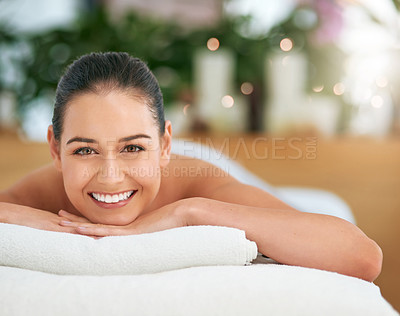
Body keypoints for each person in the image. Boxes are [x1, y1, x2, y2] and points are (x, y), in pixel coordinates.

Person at [0, 52, 382, 282]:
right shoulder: (45, 192)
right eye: (85, 151)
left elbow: (363, 257)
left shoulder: (200, 185)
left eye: (133, 147)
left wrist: (190, 211)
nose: (110, 175)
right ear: (54, 148)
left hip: (211, 177)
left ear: (165, 144)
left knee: (320, 208)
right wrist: (26, 220)